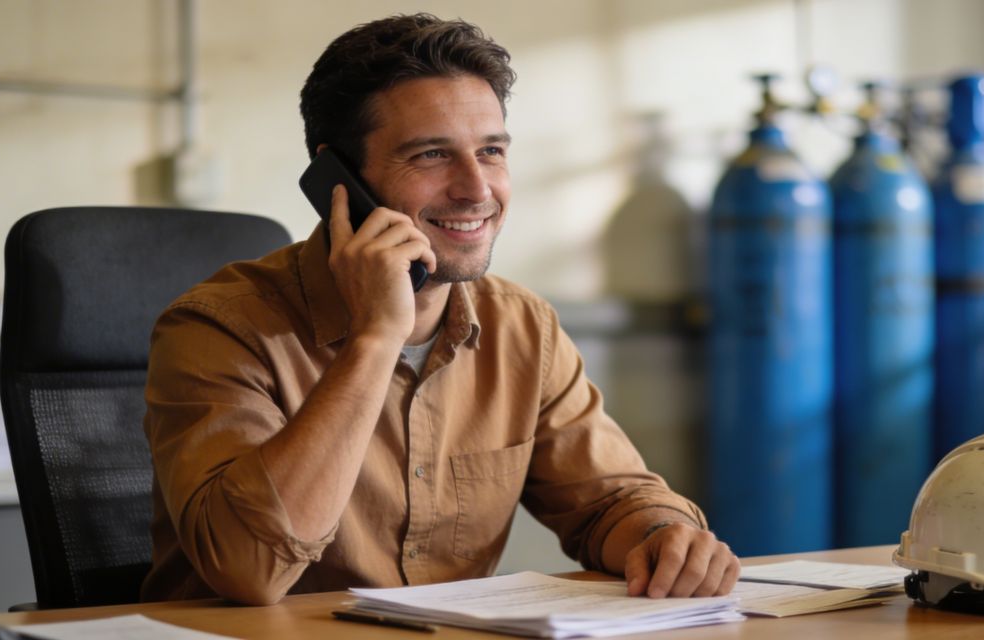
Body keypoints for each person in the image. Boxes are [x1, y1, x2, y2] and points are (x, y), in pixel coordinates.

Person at [140, 13, 739, 606]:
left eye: (492, 151)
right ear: (337, 178)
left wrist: (664, 536)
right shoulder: (218, 327)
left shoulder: (522, 326)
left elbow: (609, 501)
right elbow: (248, 570)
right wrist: (376, 337)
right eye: (430, 155)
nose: (477, 189)